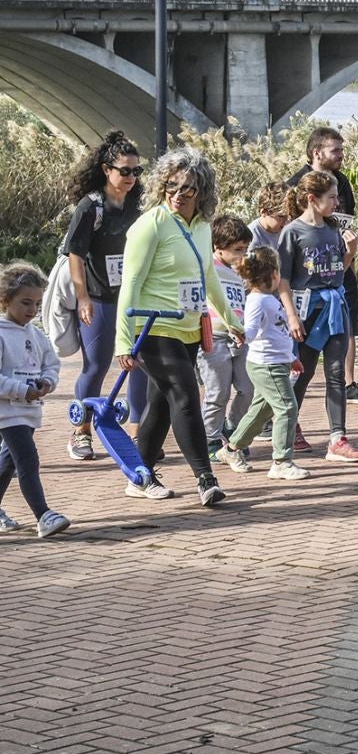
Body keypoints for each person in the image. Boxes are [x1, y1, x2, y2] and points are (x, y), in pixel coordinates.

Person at [115, 148, 241, 507]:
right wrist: (124, 342)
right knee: (186, 397)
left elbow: (209, 277)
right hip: (153, 328)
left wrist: (232, 320)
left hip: (188, 328)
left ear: (201, 190)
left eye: (187, 188)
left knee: (159, 403)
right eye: (171, 186)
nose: (178, 194)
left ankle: (139, 474)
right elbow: (131, 283)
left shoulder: (201, 226)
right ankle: (206, 478)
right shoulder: (150, 224)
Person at [62, 130, 148, 461]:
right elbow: (76, 255)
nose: (130, 177)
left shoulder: (136, 206)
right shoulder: (91, 207)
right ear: (106, 169)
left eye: (136, 171)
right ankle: (81, 430)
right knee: (96, 365)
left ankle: (141, 431)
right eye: (124, 170)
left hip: (131, 297)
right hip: (98, 298)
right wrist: (82, 297)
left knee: (137, 363)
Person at [279, 172, 358, 464]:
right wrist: (291, 315)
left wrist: (350, 252)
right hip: (308, 310)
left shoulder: (332, 230)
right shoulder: (293, 232)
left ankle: (337, 438)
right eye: (331, 197)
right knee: (302, 374)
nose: (336, 202)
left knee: (336, 373)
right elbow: (283, 279)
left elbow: (336, 272)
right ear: (311, 199)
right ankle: (287, 428)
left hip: (334, 307)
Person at [288, 126, 358, 405]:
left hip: (340, 265)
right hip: (309, 276)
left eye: (342, 149)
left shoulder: (342, 182)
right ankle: (284, 402)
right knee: (306, 347)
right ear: (317, 152)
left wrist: (350, 265)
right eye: (335, 150)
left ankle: (349, 383)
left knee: (347, 323)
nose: (341, 155)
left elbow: (347, 222)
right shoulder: (297, 183)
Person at [218, 248, 308, 481]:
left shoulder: (269, 300)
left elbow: (276, 334)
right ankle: (281, 461)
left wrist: (290, 358)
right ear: (274, 274)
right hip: (266, 366)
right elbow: (250, 331)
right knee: (287, 408)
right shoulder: (257, 301)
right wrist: (237, 332)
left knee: (261, 411)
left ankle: (231, 449)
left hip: (276, 363)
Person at [0, 263, 70, 538]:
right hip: (7, 411)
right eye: (25, 303)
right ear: (5, 299)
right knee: (28, 459)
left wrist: (47, 381)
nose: (32, 310)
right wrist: (21, 389)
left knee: (8, 462)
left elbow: (51, 364)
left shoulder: (36, 334)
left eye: (37, 304)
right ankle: (44, 515)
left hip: (28, 410)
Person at [198, 215, 255, 458]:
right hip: (214, 337)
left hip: (239, 339)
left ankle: (232, 427)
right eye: (237, 250)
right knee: (217, 392)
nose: (242, 255)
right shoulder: (207, 266)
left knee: (248, 387)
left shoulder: (236, 273)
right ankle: (210, 438)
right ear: (218, 247)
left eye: (245, 249)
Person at [248, 184, 289, 252]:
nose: (286, 221)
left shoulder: (285, 227)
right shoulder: (251, 242)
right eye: (281, 216)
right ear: (264, 212)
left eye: (288, 215)